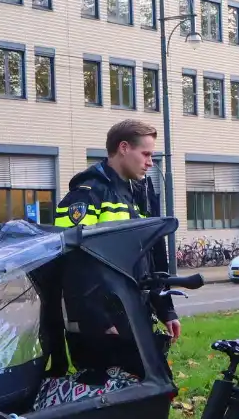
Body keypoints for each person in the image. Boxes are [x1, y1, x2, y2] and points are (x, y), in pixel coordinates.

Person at [53, 119, 181, 376]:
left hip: (131, 315)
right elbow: (69, 263)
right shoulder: (86, 195)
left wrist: (165, 308)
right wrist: (98, 321)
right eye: (145, 154)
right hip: (100, 327)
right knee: (108, 406)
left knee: (147, 394)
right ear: (124, 148)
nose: (150, 162)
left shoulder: (137, 195)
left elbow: (151, 259)